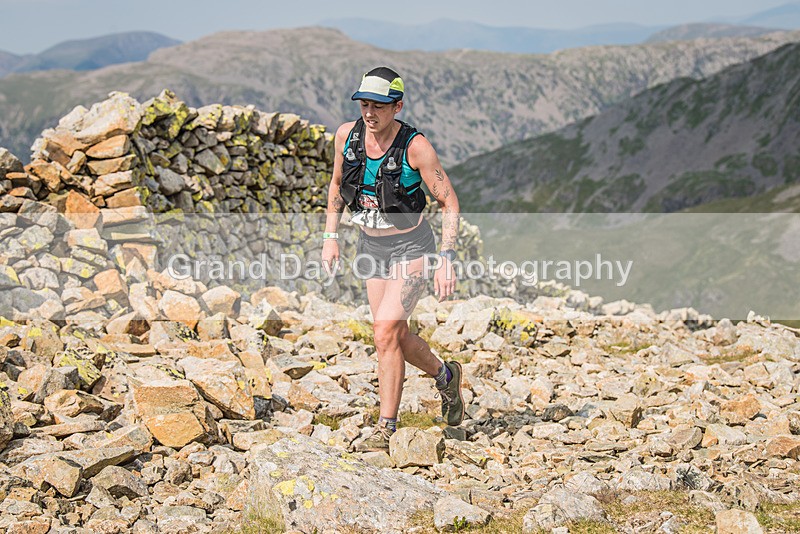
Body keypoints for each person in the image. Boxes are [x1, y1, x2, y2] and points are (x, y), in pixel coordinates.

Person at [321, 66, 464, 451]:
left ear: (397, 106)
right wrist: (330, 236)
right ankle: (446, 376)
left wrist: (447, 257)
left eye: (379, 106)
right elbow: (336, 185)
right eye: (365, 104)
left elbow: (449, 201)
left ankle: (386, 428)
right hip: (370, 248)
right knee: (394, 336)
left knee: (383, 332)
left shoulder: (416, 148)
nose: (370, 113)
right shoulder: (345, 137)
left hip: (411, 246)